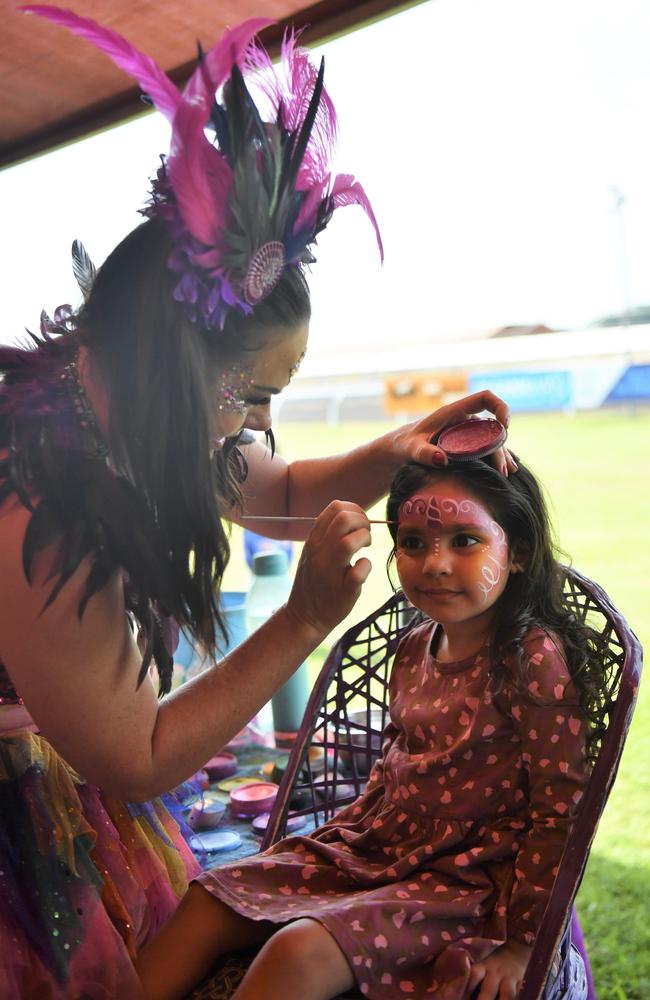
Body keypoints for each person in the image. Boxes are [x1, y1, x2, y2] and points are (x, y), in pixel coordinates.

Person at [0, 8, 514, 999]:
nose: (256, 429)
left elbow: (271, 490)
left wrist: (395, 450)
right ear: (169, 373)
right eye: (251, 394)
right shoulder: (35, 514)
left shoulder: (123, 415)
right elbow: (136, 754)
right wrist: (304, 619)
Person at [134, 455, 610, 1000]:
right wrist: (343, 845)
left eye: (464, 541)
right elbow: (395, 760)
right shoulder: (411, 647)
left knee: (299, 952)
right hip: (380, 847)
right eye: (412, 542)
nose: (434, 564)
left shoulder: (530, 660)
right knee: (209, 899)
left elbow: (562, 814)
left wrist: (525, 943)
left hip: (466, 878)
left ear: (518, 552)